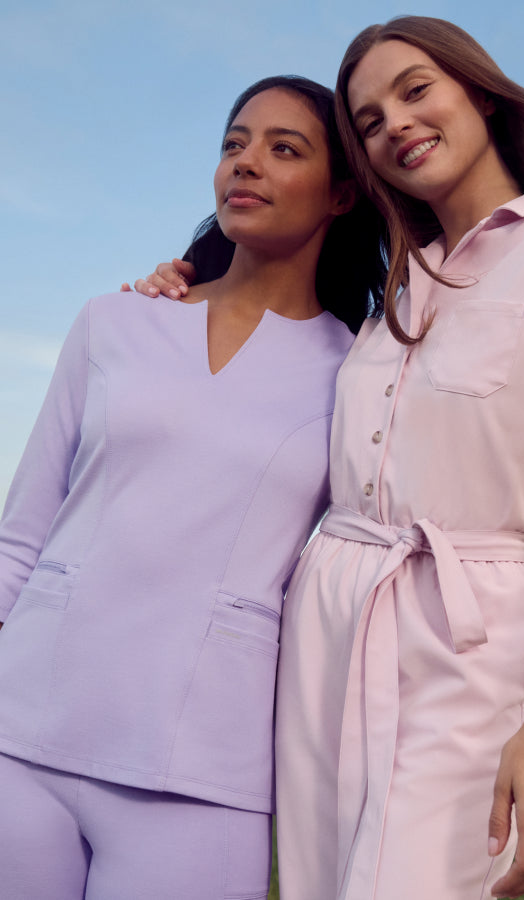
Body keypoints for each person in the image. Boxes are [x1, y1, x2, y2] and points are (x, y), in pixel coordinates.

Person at [133, 17, 524, 900]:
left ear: (480, 92)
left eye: (415, 90)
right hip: (326, 618)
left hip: (468, 629)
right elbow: (273, 343)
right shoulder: (391, 284)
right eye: (369, 120)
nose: (396, 125)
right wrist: (188, 279)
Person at [0, 75, 385, 899]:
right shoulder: (115, 320)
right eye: (234, 143)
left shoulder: (359, 371)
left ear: (342, 194)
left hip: (202, 766)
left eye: (284, 150)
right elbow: (22, 532)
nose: (245, 164)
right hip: (21, 730)